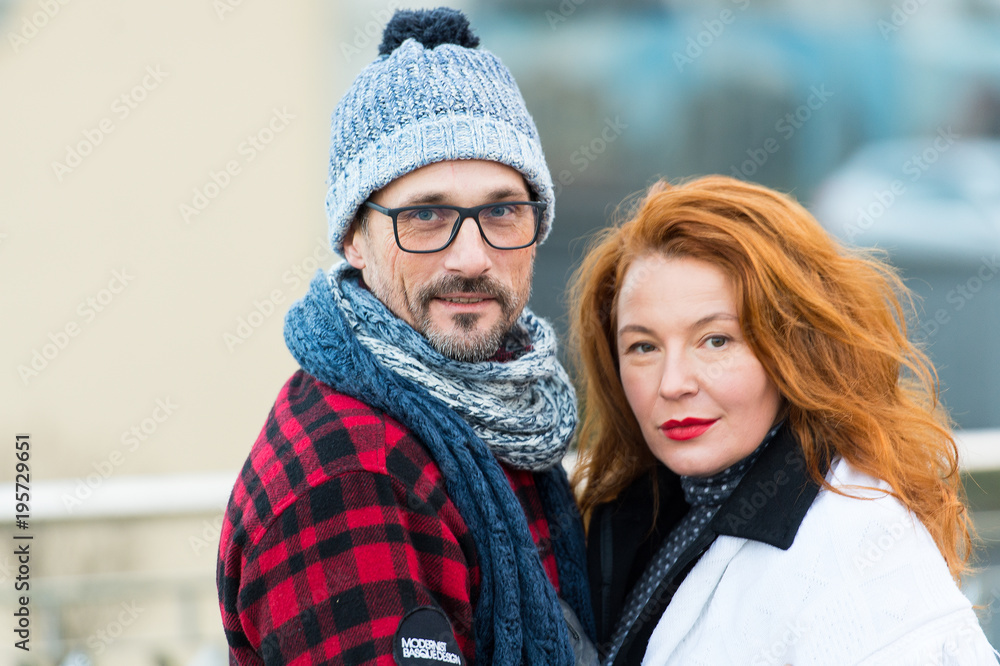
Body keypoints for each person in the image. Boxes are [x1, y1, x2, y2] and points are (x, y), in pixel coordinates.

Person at [216, 8, 595, 666]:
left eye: (503, 210)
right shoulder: (346, 474)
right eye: (426, 214)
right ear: (353, 240)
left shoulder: (495, 407)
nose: (472, 257)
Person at [568, 175, 999, 665]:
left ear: (794, 348)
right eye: (643, 346)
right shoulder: (645, 512)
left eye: (716, 340)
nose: (673, 383)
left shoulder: (858, 541)